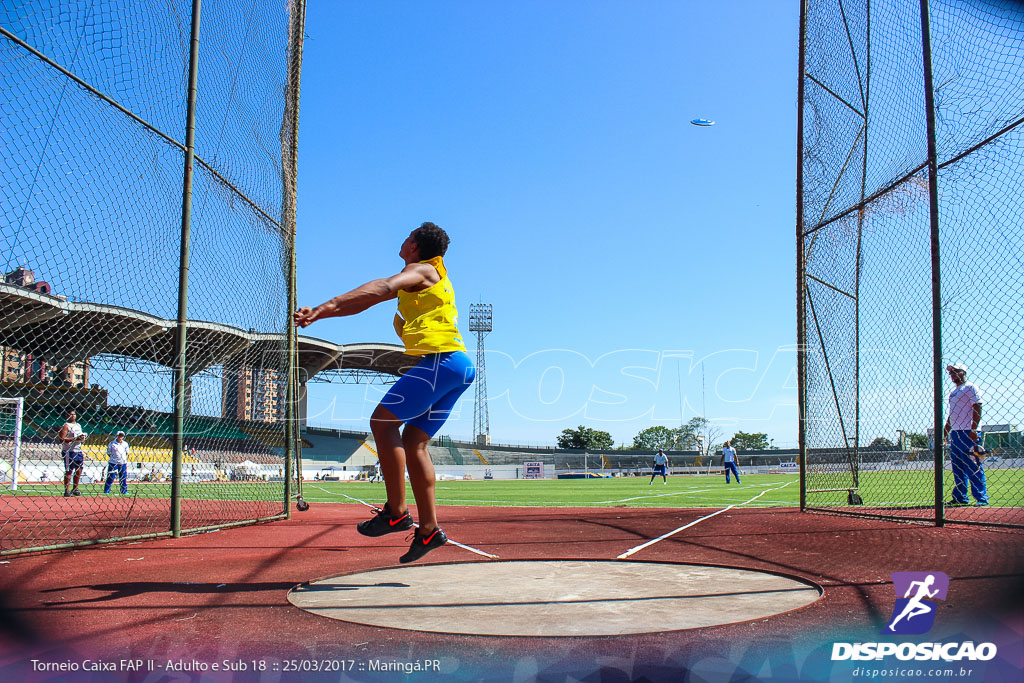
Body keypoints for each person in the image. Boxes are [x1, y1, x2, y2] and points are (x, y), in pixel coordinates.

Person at [295, 222, 475, 563]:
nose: (402, 240)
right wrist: (326, 313)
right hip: (460, 367)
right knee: (414, 441)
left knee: (382, 422)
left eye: (408, 237)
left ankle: (396, 511)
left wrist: (321, 308)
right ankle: (429, 530)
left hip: (443, 362)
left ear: (416, 246)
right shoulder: (435, 275)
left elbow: (383, 287)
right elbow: (366, 303)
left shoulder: (421, 269)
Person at [942, 363, 987, 506]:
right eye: (951, 373)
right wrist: (945, 431)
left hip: (969, 432)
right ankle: (960, 497)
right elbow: (952, 414)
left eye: (955, 372)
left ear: (963, 372)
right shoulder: (954, 392)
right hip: (956, 433)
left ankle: (981, 497)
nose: (953, 375)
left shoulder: (971, 387)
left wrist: (974, 429)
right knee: (958, 467)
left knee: (974, 465)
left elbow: (977, 406)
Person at [59, 409, 86, 497]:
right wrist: (74, 439)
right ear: (68, 416)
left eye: (74, 414)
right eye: (71, 414)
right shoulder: (66, 426)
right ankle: (67, 490)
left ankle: (75, 488)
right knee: (69, 471)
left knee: (79, 470)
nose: (73, 416)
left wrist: (82, 438)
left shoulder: (78, 425)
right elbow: (62, 439)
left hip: (78, 450)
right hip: (69, 451)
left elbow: (80, 437)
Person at [104, 431, 130, 495]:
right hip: (113, 462)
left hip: (123, 462)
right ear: (117, 436)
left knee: (123, 477)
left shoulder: (125, 444)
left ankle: (124, 490)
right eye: (119, 436)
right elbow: (108, 453)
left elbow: (127, 452)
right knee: (111, 477)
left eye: (122, 436)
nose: (120, 437)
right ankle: (107, 490)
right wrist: (114, 458)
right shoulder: (112, 443)